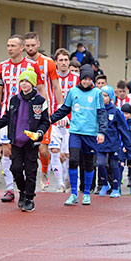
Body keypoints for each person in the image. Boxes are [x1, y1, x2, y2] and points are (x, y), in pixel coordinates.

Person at [0, 67, 50, 212]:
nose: (24, 84)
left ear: (33, 83)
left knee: (30, 170)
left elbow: (45, 121)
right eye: (22, 81)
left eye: (27, 81)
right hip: (15, 141)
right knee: (15, 168)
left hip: (30, 142)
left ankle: (29, 198)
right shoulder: (14, 99)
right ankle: (22, 191)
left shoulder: (40, 101)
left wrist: (39, 133)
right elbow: (7, 118)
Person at [0, 34, 44, 203]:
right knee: (7, 151)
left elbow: (41, 89)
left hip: (28, 117)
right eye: (8, 45)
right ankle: (9, 188)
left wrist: (41, 111)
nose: (9, 49)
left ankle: (27, 191)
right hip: (9, 115)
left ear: (22, 48)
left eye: (13, 46)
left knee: (27, 157)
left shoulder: (33, 65)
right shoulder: (1, 67)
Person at [50, 65, 107, 206]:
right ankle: (74, 194)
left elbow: (101, 113)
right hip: (75, 132)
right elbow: (65, 108)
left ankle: (86, 193)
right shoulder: (73, 91)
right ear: (80, 78)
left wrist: (102, 132)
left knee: (88, 164)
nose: (87, 82)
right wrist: (51, 119)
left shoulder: (97, 93)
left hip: (91, 133)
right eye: (84, 79)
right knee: (74, 160)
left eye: (89, 79)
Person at [23, 32, 63, 191]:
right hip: (26, 111)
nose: (30, 48)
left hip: (45, 110)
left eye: (33, 45)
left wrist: (60, 107)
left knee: (43, 150)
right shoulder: (21, 63)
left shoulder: (48, 63)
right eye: (27, 46)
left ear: (38, 44)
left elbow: (55, 86)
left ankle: (44, 172)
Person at [96, 85, 131, 198]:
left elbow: (123, 129)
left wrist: (127, 145)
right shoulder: (97, 110)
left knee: (114, 165)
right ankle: (105, 184)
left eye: (105, 96)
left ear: (111, 98)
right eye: (101, 95)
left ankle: (115, 188)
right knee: (100, 163)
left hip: (113, 143)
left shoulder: (116, 111)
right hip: (100, 142)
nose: (103, 98)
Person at [52, 48, 79, 192]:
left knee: (68, 154)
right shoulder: (51, 77)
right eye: (60, 60)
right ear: (56, 62)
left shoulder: (76, 78)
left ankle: (68, 180)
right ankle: (59, 184)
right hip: (55, 120)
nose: (63, 63)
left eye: (66, 60)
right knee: (54, 150)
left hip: (71, 121)